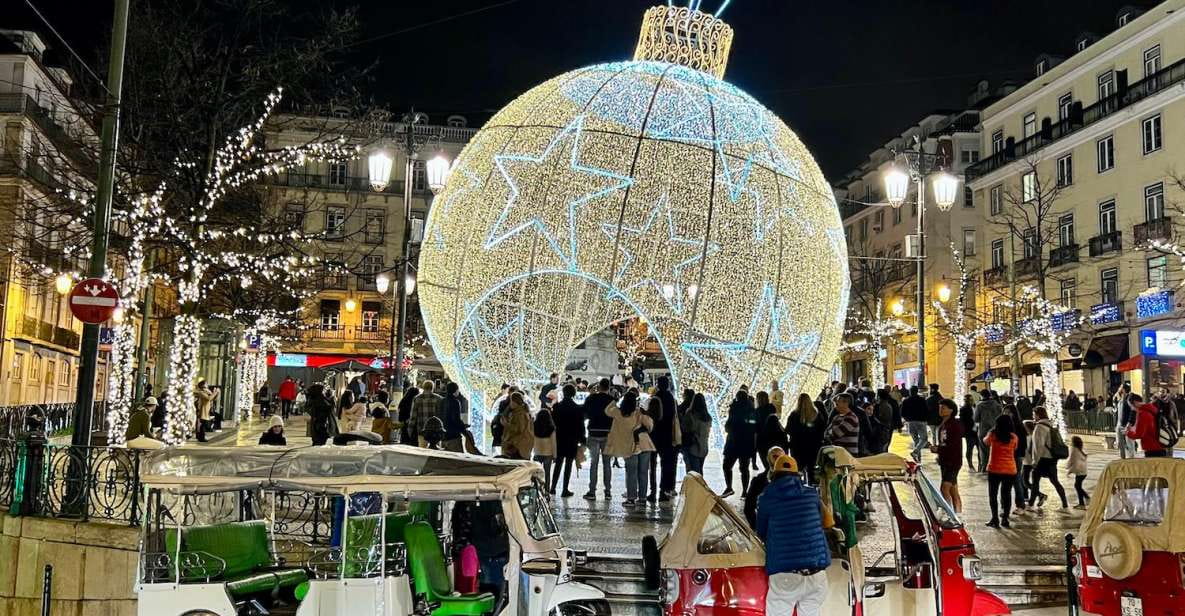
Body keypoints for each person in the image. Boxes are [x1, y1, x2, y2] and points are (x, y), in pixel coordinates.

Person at [757, 454, 832, 616]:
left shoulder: (766, 499)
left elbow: (761, 532)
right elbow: (823, 523)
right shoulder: (812, 495)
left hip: (786, 575)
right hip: (817, 574)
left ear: (773, 475)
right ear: (798, 475)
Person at [606, 391, 655, 507]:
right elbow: (649, 425)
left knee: (631, 472)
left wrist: (615, 400)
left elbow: (607, 410)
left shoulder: (617, 413)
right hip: (645, 444)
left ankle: (631, 498)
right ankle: (642, 498)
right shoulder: (638, 412)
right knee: (643, 473)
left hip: (630, 446)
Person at [1029, 407, 1069, 509]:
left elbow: (1038, 446)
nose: (1033, 416)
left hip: (1043, 459)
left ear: (1038, 415)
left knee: (1035, 481)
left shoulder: (1039, 427)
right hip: (1052, 458)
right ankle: (1065, 503)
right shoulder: (1049, 425)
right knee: (1055, 481)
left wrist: (1035, 461)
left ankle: (1030, 504)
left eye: (1034, 414)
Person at [583, 378, 616, 500]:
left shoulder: (591, 398)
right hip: (607, 434)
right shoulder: (611, 400)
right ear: (609, 387)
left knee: (594, 463)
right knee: (607, 464)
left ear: (599, 387)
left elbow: (585, 414)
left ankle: (592, 491)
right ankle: (608, 491)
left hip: (593, 432)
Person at [984, 414, 1019, 528]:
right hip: (1010, 469)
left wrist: (991, 431)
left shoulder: (993, 435)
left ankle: (995, 519)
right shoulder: (1014, 437)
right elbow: (1015, 448)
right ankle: (1005, 519)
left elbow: (985, 442)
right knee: (1007, 494)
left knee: (993, 495)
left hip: (994, 468)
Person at [722, 389, 758, 497]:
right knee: (744, 468)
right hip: (746, 443)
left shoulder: (734, 408)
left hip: (733, 442)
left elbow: (729, 425)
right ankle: (744, 491)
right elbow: (753, 427)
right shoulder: (751, 410)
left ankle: (729, 487)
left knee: (727, 465)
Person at [931, 399, 963, 513]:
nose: (941, 409)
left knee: (944, 488)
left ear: (951, 410)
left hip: (953, 461)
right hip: (945, 460)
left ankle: (950, 513)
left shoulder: (954, 425)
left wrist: (938, 449)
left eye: (943, 407)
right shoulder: (943, 425)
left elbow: (953, 445)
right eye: (940, 407)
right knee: (953, 490)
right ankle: (958, 513)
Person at [552, 384, 585, 496]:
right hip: (572, 439)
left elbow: (553, 423)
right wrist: (582, 439)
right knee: (568, 464)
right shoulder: (577, 408)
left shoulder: (557, 407)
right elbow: (580, 426)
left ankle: (553, 487)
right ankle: (565, 489)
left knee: (558, 463)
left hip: (559, 438)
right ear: (573, 394)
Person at [651, 376, 679, 502]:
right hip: (668, 435)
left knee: (652, 464)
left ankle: (653, 491)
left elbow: (652, 416)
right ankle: (664, 490)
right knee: (666, 464)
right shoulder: (671, 398)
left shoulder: (655, 398)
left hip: (655, 434)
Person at [744, 446, 785, 529]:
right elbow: (748, 508)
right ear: (768, 459)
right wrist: (757, 526)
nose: (778, 460)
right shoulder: (758, 481)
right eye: (775, 457)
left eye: (780, 458)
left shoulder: (792, 480)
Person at [786, 393, 824, 484]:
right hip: (813, 447)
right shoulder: (817, 415)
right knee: (811, 471)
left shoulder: (794, 415)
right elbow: (822, 430)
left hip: (797, 447)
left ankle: (798, 490)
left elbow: (788, 430)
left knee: (797, 470)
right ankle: (811, 489)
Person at [680, 392, 712, 475]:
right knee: (700, 471)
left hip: (692, 447)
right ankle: (700, 487)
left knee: (693, 473)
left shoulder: (690, 415)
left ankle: (694, 487)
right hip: (703, 447)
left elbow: (684, 428)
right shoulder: (708, 417)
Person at [974, 390, 1003, 473]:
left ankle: (985, 467)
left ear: (982, 396)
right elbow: (1001, 416)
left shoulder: (979, 406)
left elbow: (976, 418)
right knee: (995, 448)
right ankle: (995, 465)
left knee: (983, 449)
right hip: (995, 429)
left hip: (983, 430)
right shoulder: (997, 405)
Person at [409, 381, 444, 447]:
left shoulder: (417, 398)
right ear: (432, 388)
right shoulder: (439, 398)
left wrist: (410, 429)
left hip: (421, 430)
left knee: (422, 452)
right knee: (435, 452)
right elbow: (440, 415)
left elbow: (413, 416)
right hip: (436, 432)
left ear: (423, 387)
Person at [500, 392, 534, 460]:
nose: (510, 404)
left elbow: (519, 429)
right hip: (522, 446)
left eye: (511, 401)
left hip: (518, 447)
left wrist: (506, 424)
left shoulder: (520, 414)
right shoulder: (521, 412)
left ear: (515, 402)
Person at [825, 393, 860, 457]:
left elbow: (836, 434)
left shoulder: (851, 418)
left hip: (848, 455)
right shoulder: (837, 417)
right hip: (837, 454)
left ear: (846, 403)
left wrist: (830, 432)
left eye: (838, 401)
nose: (836, 404)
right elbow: (826, 433)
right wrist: (830, 433)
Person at [901, 386, 929, 463]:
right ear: (917, 391)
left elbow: (902, 412)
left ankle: (918, 459)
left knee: (916, 440)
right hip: (921, 421)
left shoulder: (906, 400)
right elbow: (926, 410)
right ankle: (916, 453)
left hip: (910, 422)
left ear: (910, 392)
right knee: (924, 439)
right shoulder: (922, 400)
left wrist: (906, 419)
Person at [534, 402, 559, 484]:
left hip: (537, 452)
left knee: (536, 474)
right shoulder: (551, 428)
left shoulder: (534, 426)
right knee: (547, 473)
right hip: (548, 453)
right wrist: (555, 456)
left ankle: (538, 490)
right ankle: (547, 491)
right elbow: (554, 443)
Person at [440, 383, 467, 452]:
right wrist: (463, 427)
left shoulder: (442, 401)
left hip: (444, 436)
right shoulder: (455, 402)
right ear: (455, 390)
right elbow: (456, 419)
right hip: (453, 436)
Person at [1068, 436, 1090, 509]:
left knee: (1077, 486)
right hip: (1083, 472)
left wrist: (1069, 470)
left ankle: (1083, 502)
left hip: (1080, 472)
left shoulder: (1074, 450)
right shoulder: (1079, 450)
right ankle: (1084, 500)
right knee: (1078, 486)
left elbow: (1073, 461)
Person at [959, 394, 978, 469]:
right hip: (969, 431)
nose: (970, 401)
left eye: (971, 399)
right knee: (970, 448)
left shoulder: (976, 407)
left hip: (977, 431)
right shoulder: (963, 409)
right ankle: (970, 464)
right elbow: (962, 421)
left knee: (979, 448)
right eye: (968, 400)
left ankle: (981, 465)